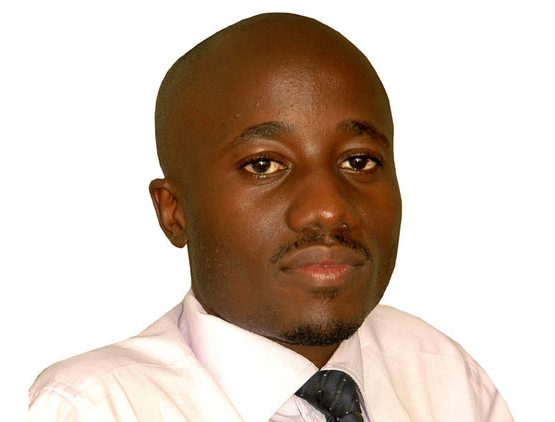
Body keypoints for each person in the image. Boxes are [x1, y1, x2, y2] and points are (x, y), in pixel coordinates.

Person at [29, 12, 513, 421]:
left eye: (359, 161)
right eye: (263, 165)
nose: (328, 208)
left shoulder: (446, 380)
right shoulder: (91, 407)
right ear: (174, 212)